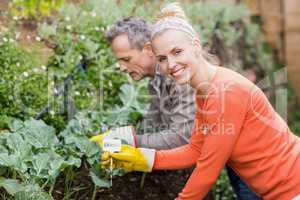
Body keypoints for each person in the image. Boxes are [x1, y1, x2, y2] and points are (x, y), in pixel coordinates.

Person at [104, 3, 300, 200]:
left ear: (196, 46)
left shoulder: (224, 92)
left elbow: (208, 167)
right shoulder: (203, 93)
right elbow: (195, 150)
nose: (171, 64)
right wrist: (144, 159)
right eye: (162, 59)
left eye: (177, 52)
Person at [91, 16, 260, 199]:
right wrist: (122, 139)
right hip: (235, 159)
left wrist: (132, 143)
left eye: (126, 59)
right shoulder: (159, 80)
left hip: (258, 164)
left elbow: (184, 139)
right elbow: (160, 125)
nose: (121, 67)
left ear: (148, 50)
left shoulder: (182, 79)